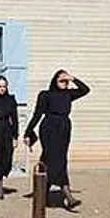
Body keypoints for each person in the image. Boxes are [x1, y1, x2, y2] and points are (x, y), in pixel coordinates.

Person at [25, 69, 89, 209]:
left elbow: (85, 90)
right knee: (57, 158)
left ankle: (43, 194)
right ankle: (67, 193)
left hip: (64, 127)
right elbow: (38, 113)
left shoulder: (68, 94)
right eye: (62, 80)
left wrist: (73, 78)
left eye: (66, 81)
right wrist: (28, 131)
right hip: (49, 127)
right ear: (55, 81)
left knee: (52, 159)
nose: (65, 83)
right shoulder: (45, 95)